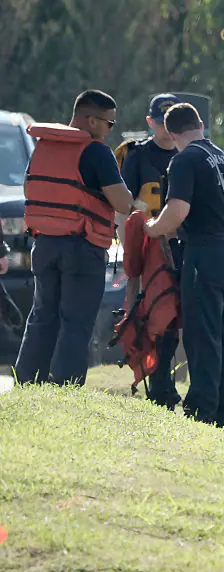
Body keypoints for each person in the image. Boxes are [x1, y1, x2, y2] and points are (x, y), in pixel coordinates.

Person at [143, 102, 224, 432]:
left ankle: (202, 409)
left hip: (203, 254)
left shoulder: (185, 159)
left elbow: (177, 212)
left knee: (202, 335)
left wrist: (152, 227)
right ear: (201, 125)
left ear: (171, 133)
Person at [15, 89, 138, 386]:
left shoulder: (44, 147)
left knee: (43, 315)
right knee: (76, 320)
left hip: (44, 244)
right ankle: (65, 385)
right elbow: (122, 203)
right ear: (92, 121)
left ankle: (28, 381)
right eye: (109, 124)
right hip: (82, 246)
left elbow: (29, 189)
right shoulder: (96, 151)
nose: (110, 131)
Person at [117, 93, 182, 410]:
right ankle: (157, 382)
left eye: (171, 123)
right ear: (150, 122)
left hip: (179, 244)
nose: (166, 130)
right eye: (161, 123)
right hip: (148, 244)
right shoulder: (137, 155)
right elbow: (127, 208)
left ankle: (164, 382)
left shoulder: (187, 153)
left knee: (173, 317)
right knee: (148, 315)